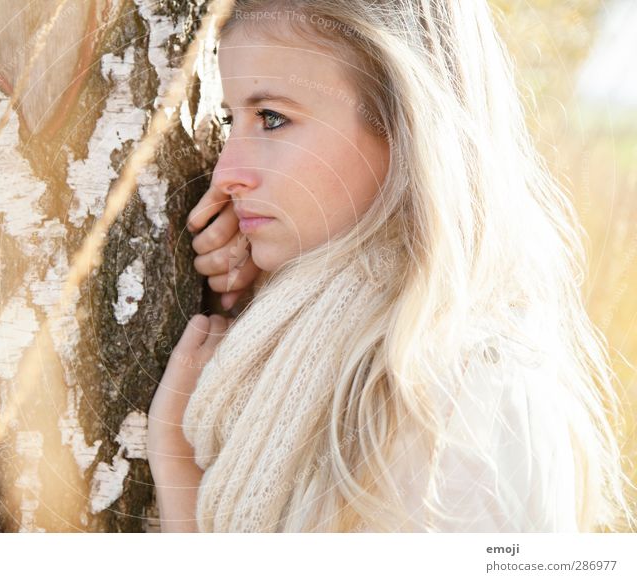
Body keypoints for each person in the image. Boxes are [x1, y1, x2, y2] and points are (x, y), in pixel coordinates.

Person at [147, 0, 636, 533]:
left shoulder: (457, 404)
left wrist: (179, 473)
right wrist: (251, 305)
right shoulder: (311, 345)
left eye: (272, 118)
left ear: (406, 126)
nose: (227, 172)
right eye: (228, 120)